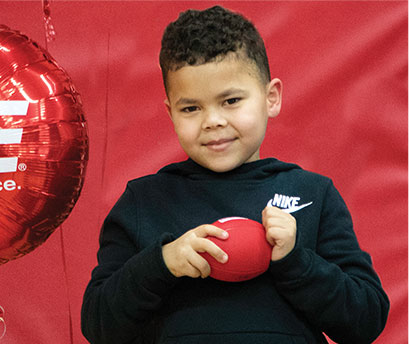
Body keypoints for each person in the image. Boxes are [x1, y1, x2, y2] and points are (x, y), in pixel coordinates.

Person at [80, 6, 389, 344]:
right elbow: (98, 326)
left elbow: (366, 319)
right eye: (191, 108)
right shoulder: (143, 202)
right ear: (170, 112)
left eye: (230, 101)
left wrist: (296, 259)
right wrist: (161, 263)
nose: (212, 120)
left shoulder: (313, 194)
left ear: (271, 98)